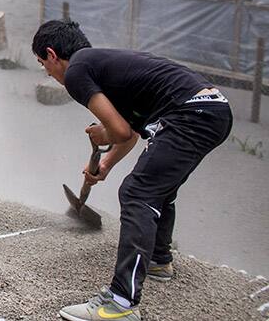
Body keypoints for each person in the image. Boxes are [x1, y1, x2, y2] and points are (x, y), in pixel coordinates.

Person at [32, 20, 233, 321]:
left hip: (190, 114)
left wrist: (104, 134)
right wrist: (106, 164)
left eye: (42, 64)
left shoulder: (76, 72)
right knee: (158, 186)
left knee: (138, 192)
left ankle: (119, 303)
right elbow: (133, 131)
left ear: (51, 54)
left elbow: (120, 131)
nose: (47, 72)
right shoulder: (106, 66)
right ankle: (157, 260)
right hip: (212, 109)